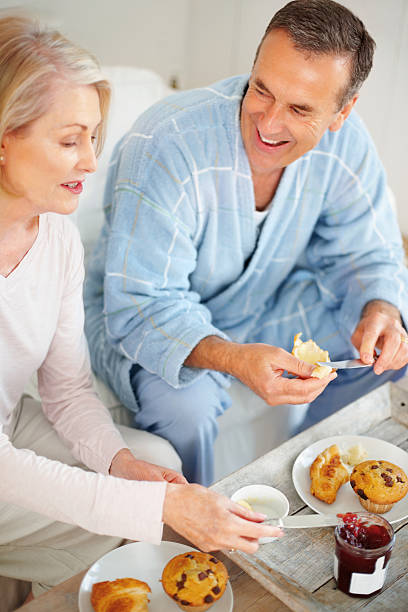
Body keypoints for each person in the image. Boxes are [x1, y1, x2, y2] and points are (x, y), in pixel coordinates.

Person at [0, 15, 283, 607]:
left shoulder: (56, 239)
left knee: (154, 459)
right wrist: (158, 505)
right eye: (70, 139)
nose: (91, 163)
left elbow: (69, 392)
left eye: (95, 138)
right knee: (141, 518)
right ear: (4, 137)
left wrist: (122, 464)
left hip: (9, 431)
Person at [84, 0, 408, 487]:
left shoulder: (348, 142)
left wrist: (380, 307)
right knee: (185, 409)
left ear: (342, 112)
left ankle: (309, 480)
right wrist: (234, 357)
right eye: (262, 89)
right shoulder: (166, 143)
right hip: (156, 319)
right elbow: (140, 304)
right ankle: (199, 528)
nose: (269, 123)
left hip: (266, 304)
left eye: (300, 109)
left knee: (390, 340)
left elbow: (366, 253)